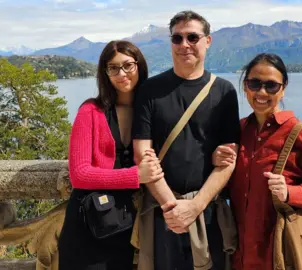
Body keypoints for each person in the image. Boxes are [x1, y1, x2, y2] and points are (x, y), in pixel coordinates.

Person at [132, 10, 241, 270]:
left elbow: (228, 159)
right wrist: (173, 208)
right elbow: (142, 155)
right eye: (177, 39)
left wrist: (195, 206)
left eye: (192, 37)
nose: (184, 45)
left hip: (208, 211)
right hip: (163, 212)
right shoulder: (150, 90)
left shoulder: (223, 91)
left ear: (208, 41)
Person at [213, 53, 302, 270]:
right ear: (245, 86)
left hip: (280, 254)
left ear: (283, 88)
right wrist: (215, 158)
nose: (261, 92)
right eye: (254, 83)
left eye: (271, 86)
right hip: (238, 254)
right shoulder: (239, 130)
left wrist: (290, 193)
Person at [58, 40, 164, 270]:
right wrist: (136, 176)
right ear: (105, 73)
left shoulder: (148, 114)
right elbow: (79, 174)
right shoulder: (90, 112)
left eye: (128, 65)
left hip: (123, 223)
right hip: (87, 224)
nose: (121, 73)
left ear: (140, 66)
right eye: (113, 68)